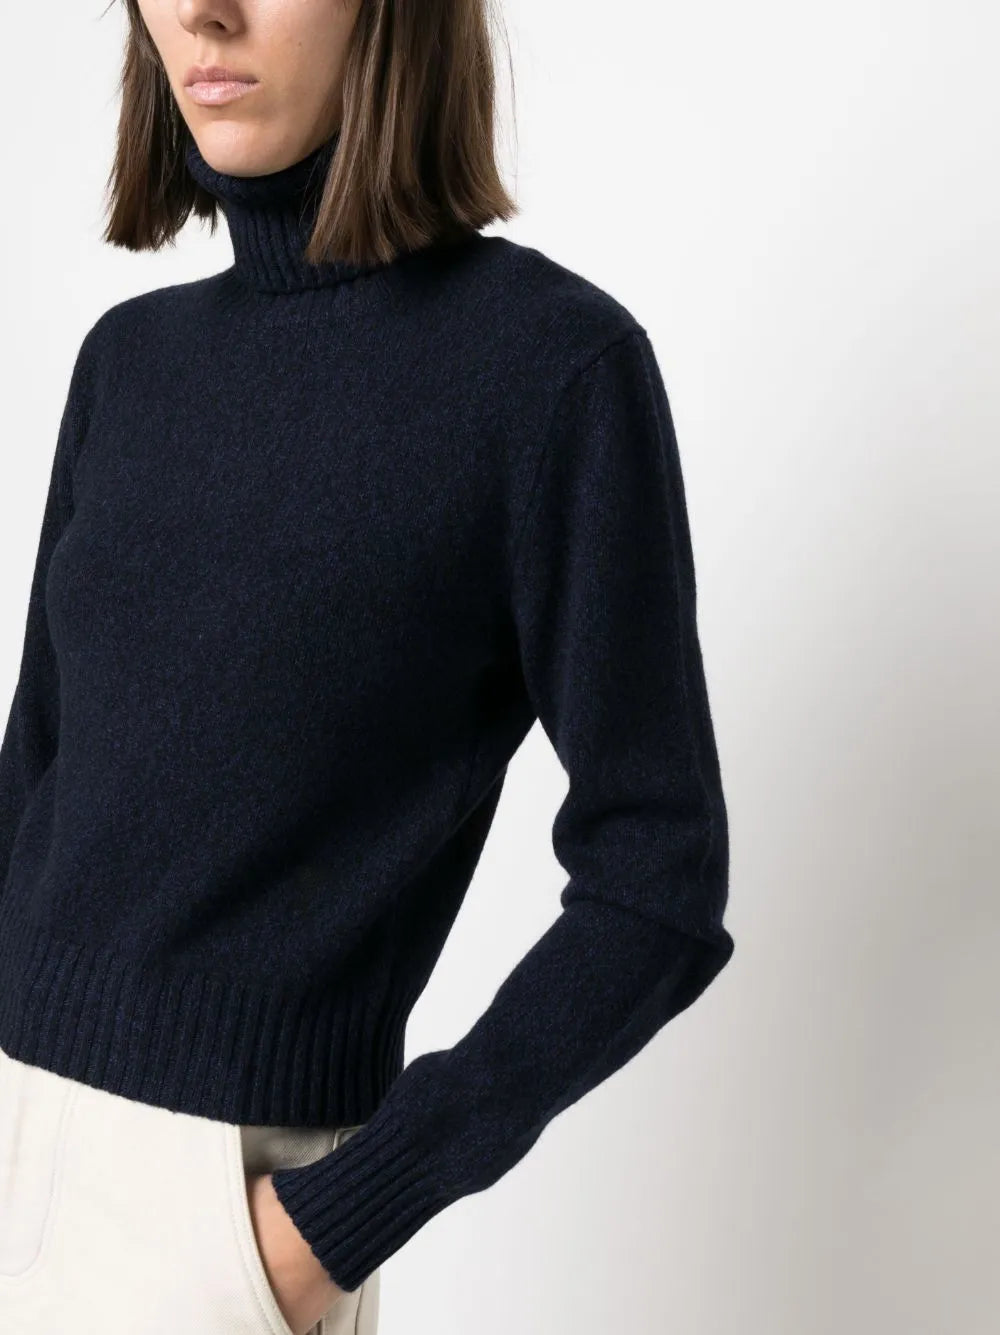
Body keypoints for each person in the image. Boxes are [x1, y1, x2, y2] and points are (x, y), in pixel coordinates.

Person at [0, 1, 736, 1332]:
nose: (203, 12)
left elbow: (660, 878)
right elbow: (34, 778)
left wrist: (335, 1220)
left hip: (213, 1211)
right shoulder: (130, 363)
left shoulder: (547, 372)